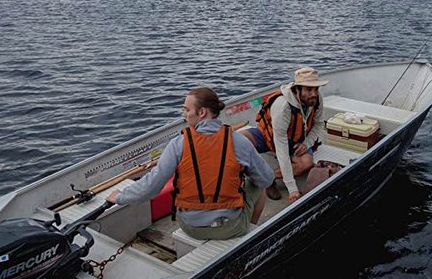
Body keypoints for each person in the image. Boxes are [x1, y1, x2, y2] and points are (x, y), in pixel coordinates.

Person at [106, 87, 274, 241]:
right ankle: (248, 230)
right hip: (230, 228)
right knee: (258, 182)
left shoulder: (178, 144)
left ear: (201, 112)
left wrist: (120, 197)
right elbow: (267, 179)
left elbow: (150, 187)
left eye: (186, 109)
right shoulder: (240, 142)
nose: (183, 115)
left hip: (190, 227)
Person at [242, 66, 328, 203]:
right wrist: (292, 188)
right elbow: (281, 147)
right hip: (270, 137)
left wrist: (307, 144)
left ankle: (267, 178)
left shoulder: (316, 99)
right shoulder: (283, 107)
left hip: (296, 142)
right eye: (309, 89)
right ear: (297, 89)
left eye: (316, 89)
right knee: (238, 141)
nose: (314, 93)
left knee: (306, 163)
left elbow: (318, 124)